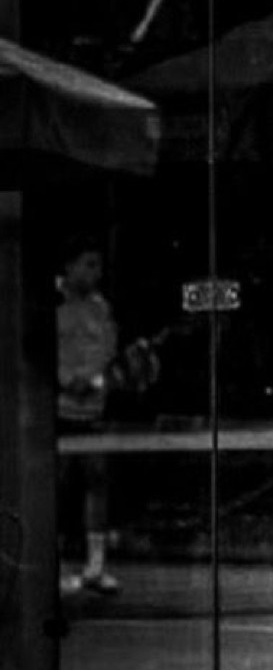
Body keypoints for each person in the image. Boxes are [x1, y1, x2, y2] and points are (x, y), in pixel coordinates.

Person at [55, 243, 121, 595]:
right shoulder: (50, 303)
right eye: (89, 264)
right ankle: (49, 567)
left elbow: (107, 351)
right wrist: (66, 380)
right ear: (70, 265)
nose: (96, 273)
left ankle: (95, 568)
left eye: (99, 266)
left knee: (97, 481)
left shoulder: (101, 307)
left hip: (92, 411)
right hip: (56, 413)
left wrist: (90, 378)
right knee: (55, 488)